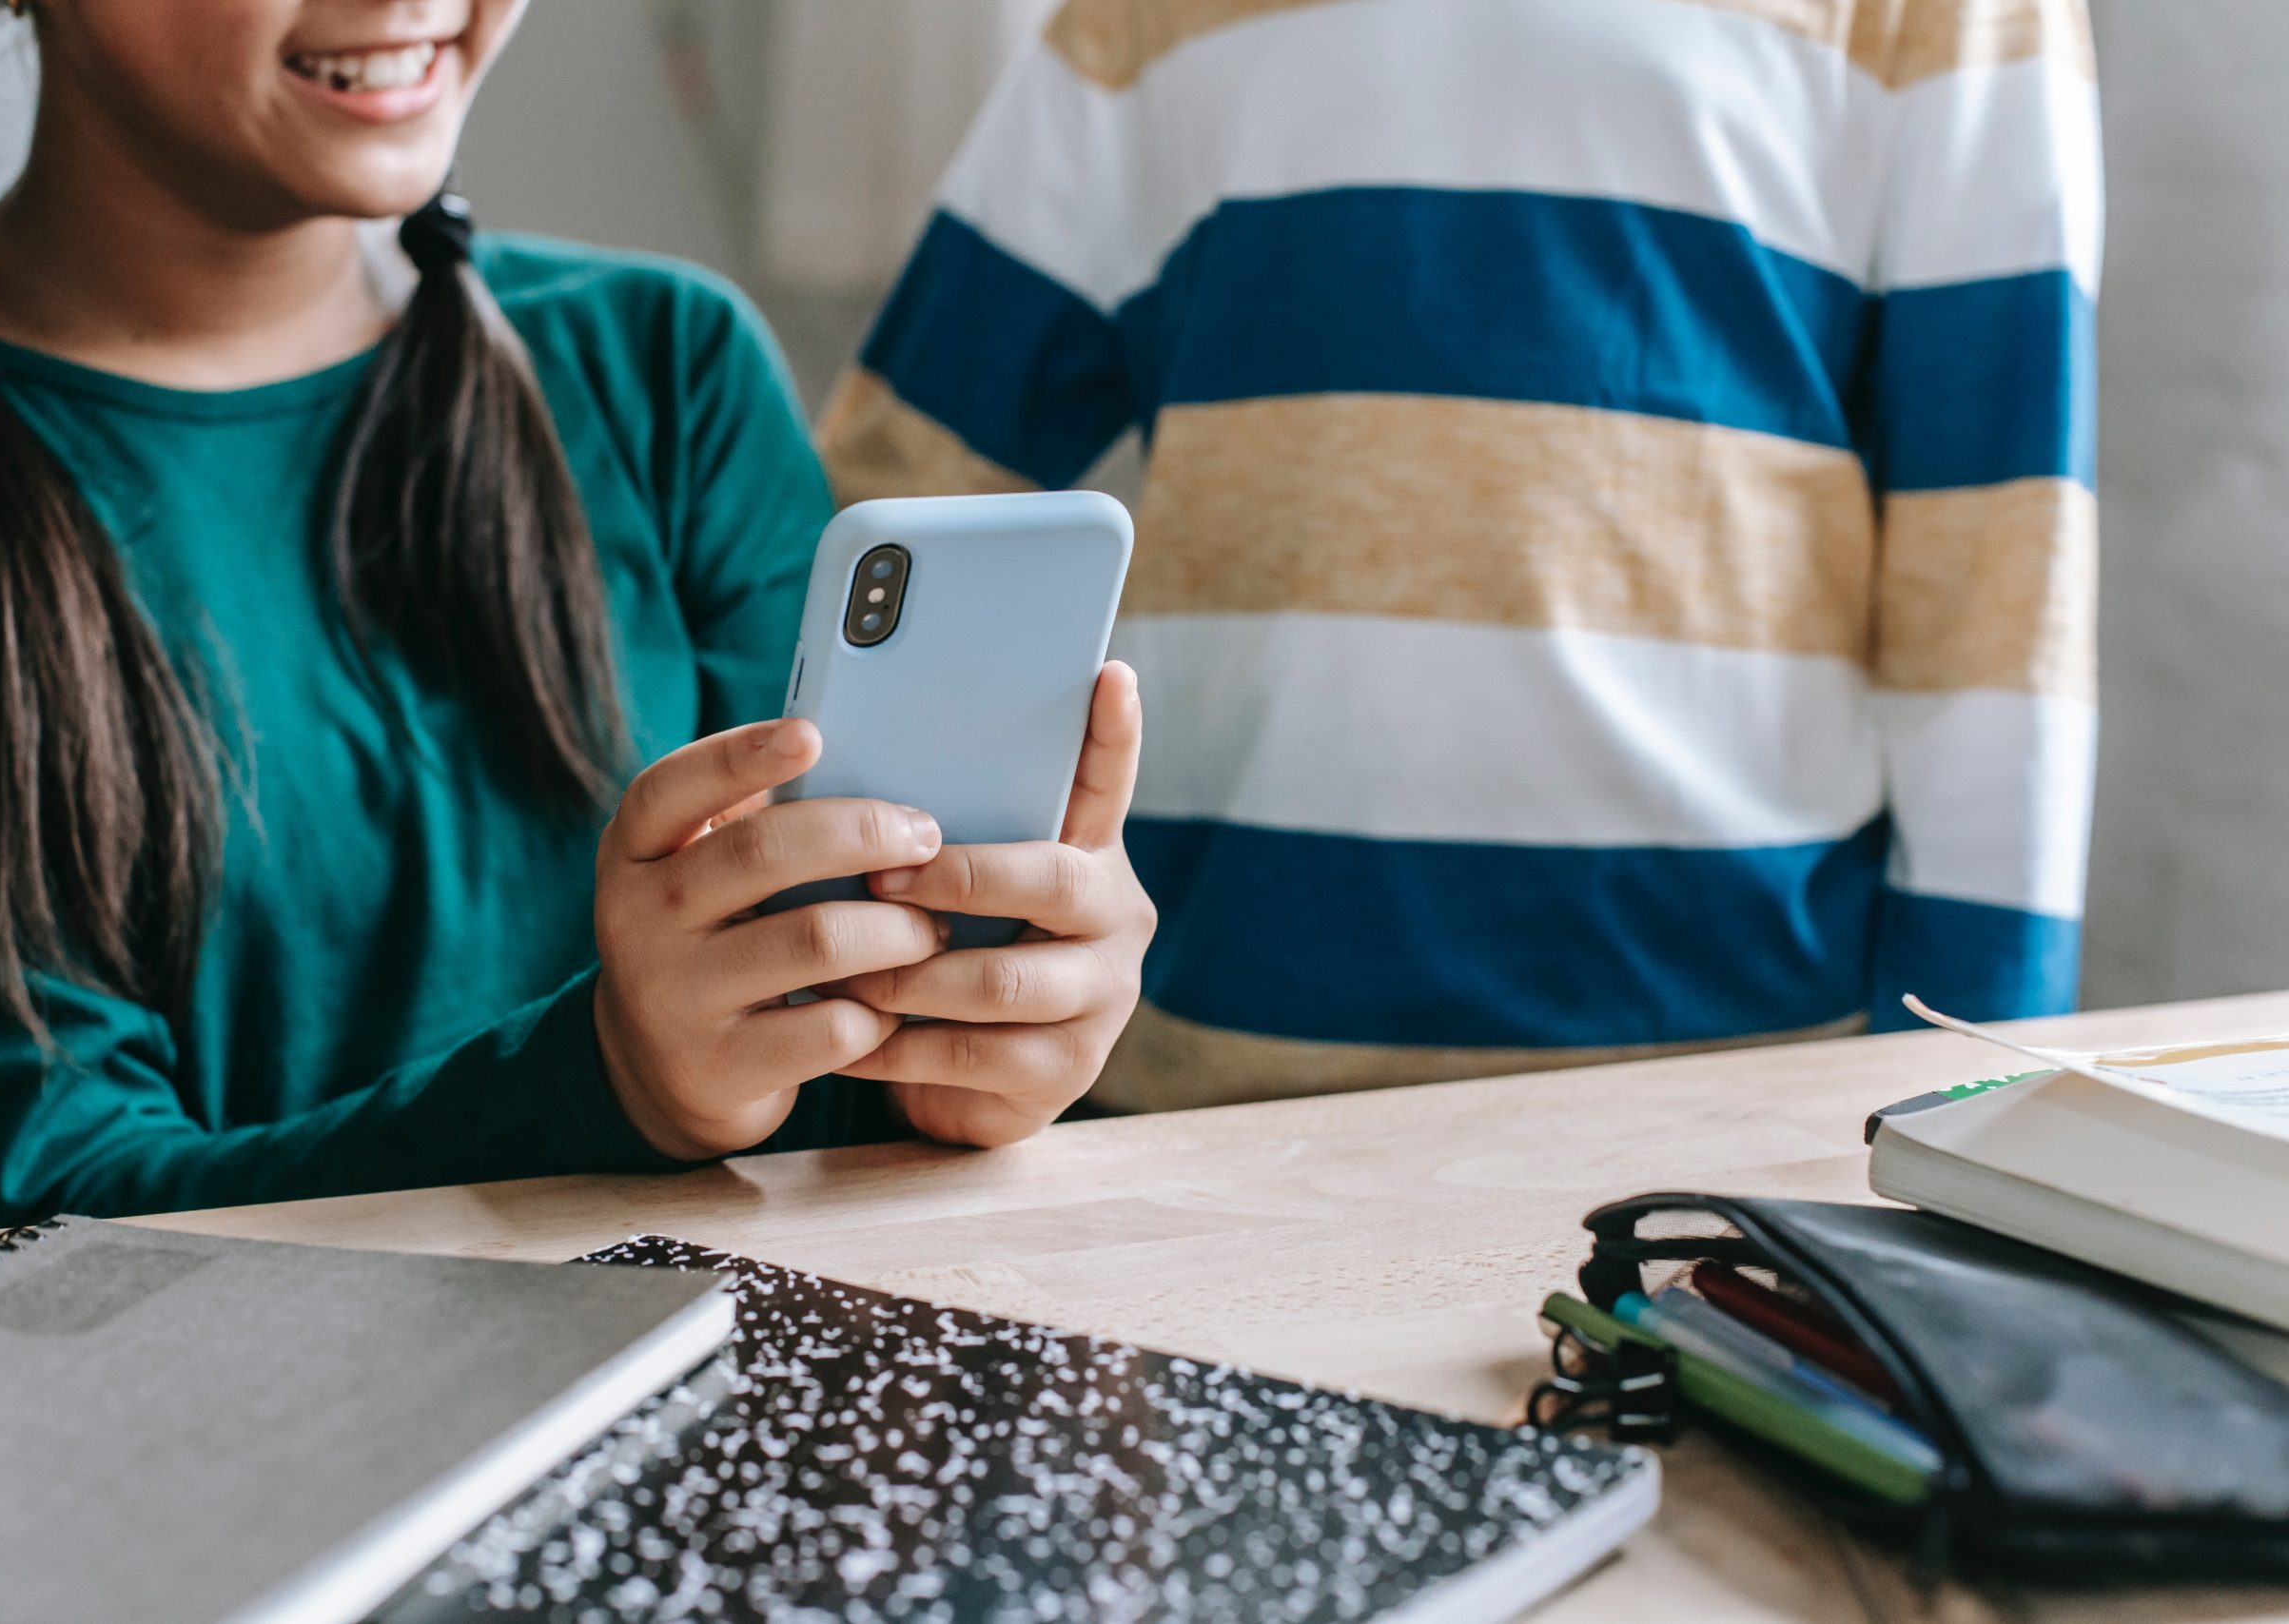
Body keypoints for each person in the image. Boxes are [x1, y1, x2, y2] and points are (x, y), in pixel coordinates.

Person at [0, 0, 1155, 1242]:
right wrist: (606, 1086)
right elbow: (34, 1211)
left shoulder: (667, 370)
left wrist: (951, 1063)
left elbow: (805, 1069)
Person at [821, 0, 2101, 1109]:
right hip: (1198, 1070)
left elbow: (2000, 576)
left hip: (1718, 1082)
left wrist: (1978, 1091)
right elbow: (897, 489)